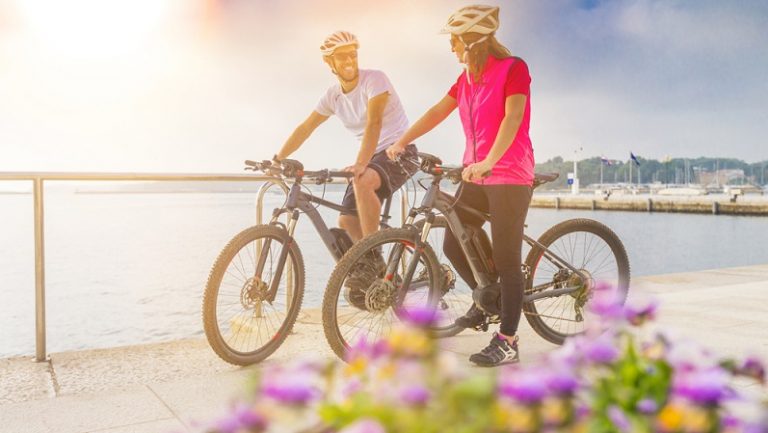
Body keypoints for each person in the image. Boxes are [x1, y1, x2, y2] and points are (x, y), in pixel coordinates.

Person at [387, 5, 534, 366]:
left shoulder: (514, 69)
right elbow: (438, 111)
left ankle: (509, 340)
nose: (451, 47)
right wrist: (403, 140)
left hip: (509, 174)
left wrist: (489, 162)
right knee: (455, 241)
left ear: (471, 42)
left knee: (507, 257)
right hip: (477, 173)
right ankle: (489, 297)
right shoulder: (466, 79)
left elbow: (513, 117)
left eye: (454, 41)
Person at [274, 31, 418, 244]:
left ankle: (371, 252)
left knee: (363, 180)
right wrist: (277, 158)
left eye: (353, 55)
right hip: (372, 157)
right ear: (328, 61)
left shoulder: (375, 79)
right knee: (347, 220)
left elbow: (374, 122)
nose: (349, 60)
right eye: (342, 56)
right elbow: (305, 128)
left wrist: (360, 164)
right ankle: (374, 270)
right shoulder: (333, 96)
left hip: (399, 151)